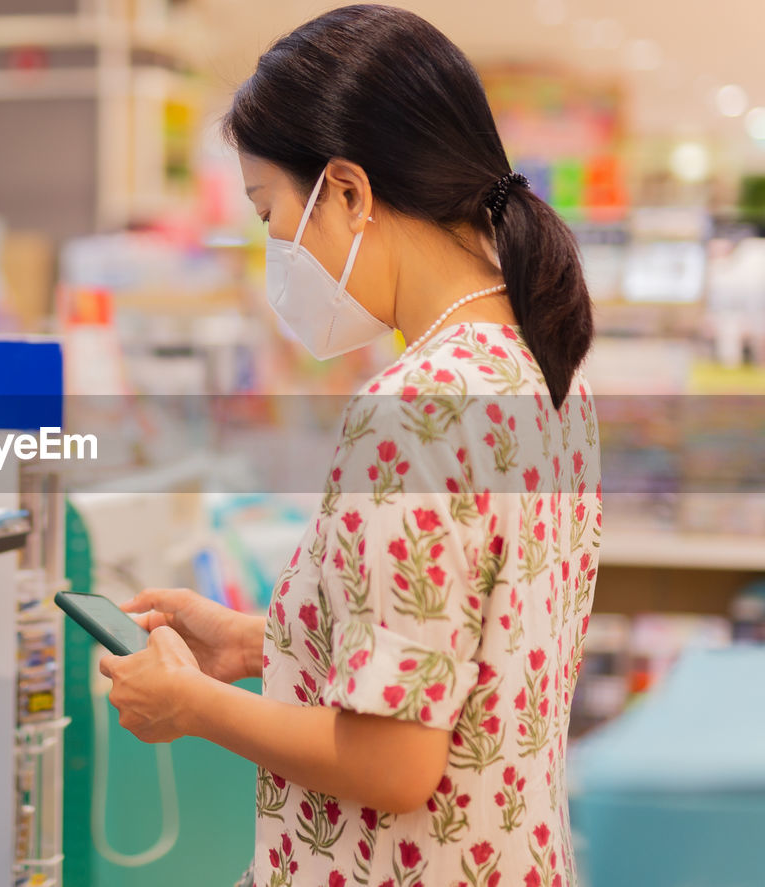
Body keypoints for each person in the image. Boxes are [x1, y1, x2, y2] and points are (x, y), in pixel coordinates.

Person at [97, 6, 603, 886]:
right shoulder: (545, 370)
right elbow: (471, 653)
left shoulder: (412, 409)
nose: (275, 249)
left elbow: (391, 764)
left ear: (348, 192)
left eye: (269, 212)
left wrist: (192, 704)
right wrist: (262, 643)